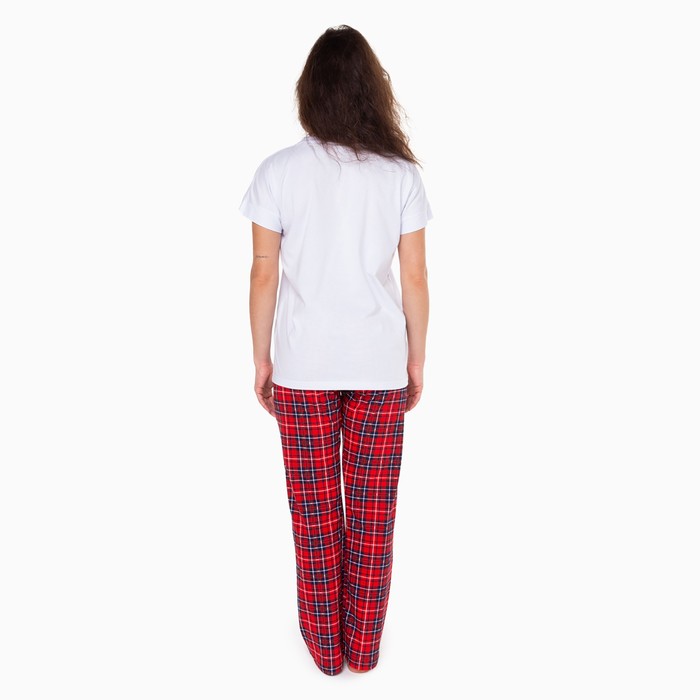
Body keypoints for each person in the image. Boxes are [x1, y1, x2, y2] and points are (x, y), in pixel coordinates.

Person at [238, 24, 433, 676]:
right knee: (373, 517)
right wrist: (415, 360)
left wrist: (262, 359)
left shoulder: (278, 172)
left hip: (302, 367)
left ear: (309, 92)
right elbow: (414, 278)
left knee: (315, 514)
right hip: (379, 364)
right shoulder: (400, 175)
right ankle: (364, 649)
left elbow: (263, 272)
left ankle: (325, 650)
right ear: (373, 91)